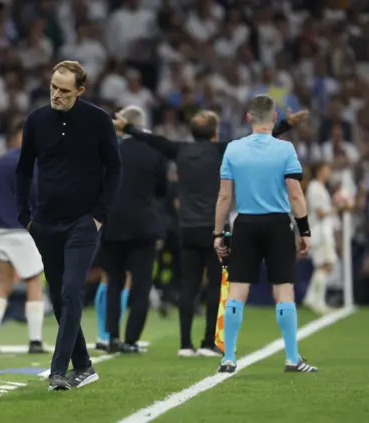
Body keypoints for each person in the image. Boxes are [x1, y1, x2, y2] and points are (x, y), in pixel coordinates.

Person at [113, 108, 305, 358]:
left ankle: (184, 344)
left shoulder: (179, 150)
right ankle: (207, 343)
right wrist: (286, 123)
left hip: (187, 228)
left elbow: (152, 140)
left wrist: (127, 128)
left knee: (188, 285)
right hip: (215, 228)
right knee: (215, 285)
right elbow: (256, 135)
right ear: (215, 132)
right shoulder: (222, 149)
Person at [16, 61, 122, 390]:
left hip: (82, 221)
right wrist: (25, 217)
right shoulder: (36, 120)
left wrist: (99, 215)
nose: (56, 95)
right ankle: (85, 366)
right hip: (45, 222)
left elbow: (115, 169)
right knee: (60, 295)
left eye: (64, 90)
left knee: (71, 291)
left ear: (80, 91)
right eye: (53, 87)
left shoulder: (98, 120)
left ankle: (58, 370)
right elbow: (23, 169)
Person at [213, 94, 318, 373]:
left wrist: (218, 233)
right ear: (274, 118)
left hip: (245, 223)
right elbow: (295, 193)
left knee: (237, 290)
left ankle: (228, 357)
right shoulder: (286, 150)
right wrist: (304, 230)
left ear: (249, 117)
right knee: (283, 290)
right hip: (277, 225)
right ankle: (292, 358)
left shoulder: (233, 149)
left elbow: (224, 196)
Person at [99, 105, 168, 354]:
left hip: (113, 226)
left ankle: (112, 337)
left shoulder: (110, 149)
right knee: (140, 286)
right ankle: (130, 340)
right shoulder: (153, 150)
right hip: (144, 226)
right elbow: (163, 190)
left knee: (114, 283)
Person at [0, 122, 47, 355]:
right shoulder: (34, 164)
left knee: (5, 285)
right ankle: (35, 340)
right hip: (25, 231)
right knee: (34, 282)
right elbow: (39, 197)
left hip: (1, 231)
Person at [304, 162, 337, 314]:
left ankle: (311, 298)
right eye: (327, 169)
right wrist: (337, 207)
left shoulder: (319, 187)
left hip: (321, 231)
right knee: (326, 265)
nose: (329, 172)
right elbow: (319, 212)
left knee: (322, 266)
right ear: (319, 171)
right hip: (320, 232)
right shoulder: (315, 187)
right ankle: (319, 301)